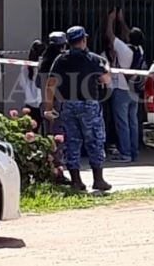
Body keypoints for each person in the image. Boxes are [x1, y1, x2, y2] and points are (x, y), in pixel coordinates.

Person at [44, 26, 112, 191]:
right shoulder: (93, 59)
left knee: (72, 142)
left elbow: (50, 84)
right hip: (89, 105)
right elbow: (106, 80)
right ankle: (98, 179)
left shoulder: (61, 60)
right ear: (83, 40)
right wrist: (107, 67)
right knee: (95, 140)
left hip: (68, 105)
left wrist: (48, 107)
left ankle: (76, 181)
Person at [106, 8, 146, 163]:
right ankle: (134, 152)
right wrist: (121, 20)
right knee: (133, 123)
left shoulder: (124, 50)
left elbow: (111, 36)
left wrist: (110, 20)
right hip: (134, 91)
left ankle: (125, 154)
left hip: (122, 90)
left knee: (122, 123)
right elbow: (128, 34)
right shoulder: (139, 50)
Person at [37, 31, 71, 185]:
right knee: (58, 138)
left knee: (47, 137)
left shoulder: (42, 61)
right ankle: (57, 172)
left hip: (43, 103)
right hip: (57, 104)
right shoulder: (61, 61)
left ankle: (48, 169)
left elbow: (38, 83)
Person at [19, 40, 45, 132]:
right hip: (41, 104)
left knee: (30, 133)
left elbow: (22, 83)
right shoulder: (43, 66)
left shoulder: (25, 66)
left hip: (29, 104)